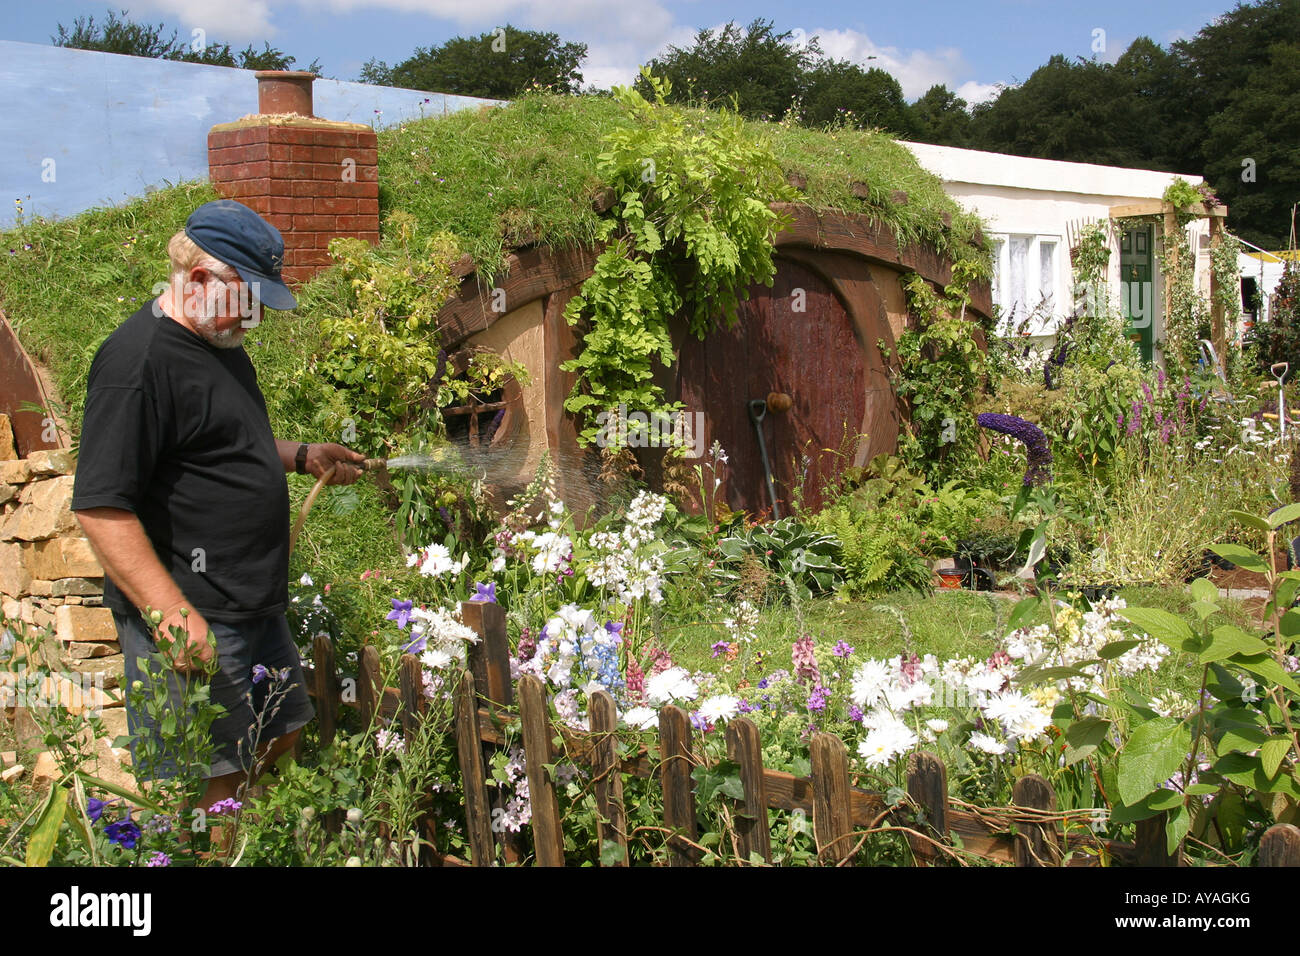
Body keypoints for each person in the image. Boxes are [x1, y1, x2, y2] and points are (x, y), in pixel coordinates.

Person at [71, 199, 364, 811]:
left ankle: (246, 850)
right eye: (249, 299)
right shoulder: (137, 362)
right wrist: (173, 617)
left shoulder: (218, 343)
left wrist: (300, 454)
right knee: (214, 786)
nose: (255, 318)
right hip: (196, 605)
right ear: (200, 279)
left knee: (282, 735)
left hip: (250, 600)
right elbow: (101, 506)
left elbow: (217, 444)